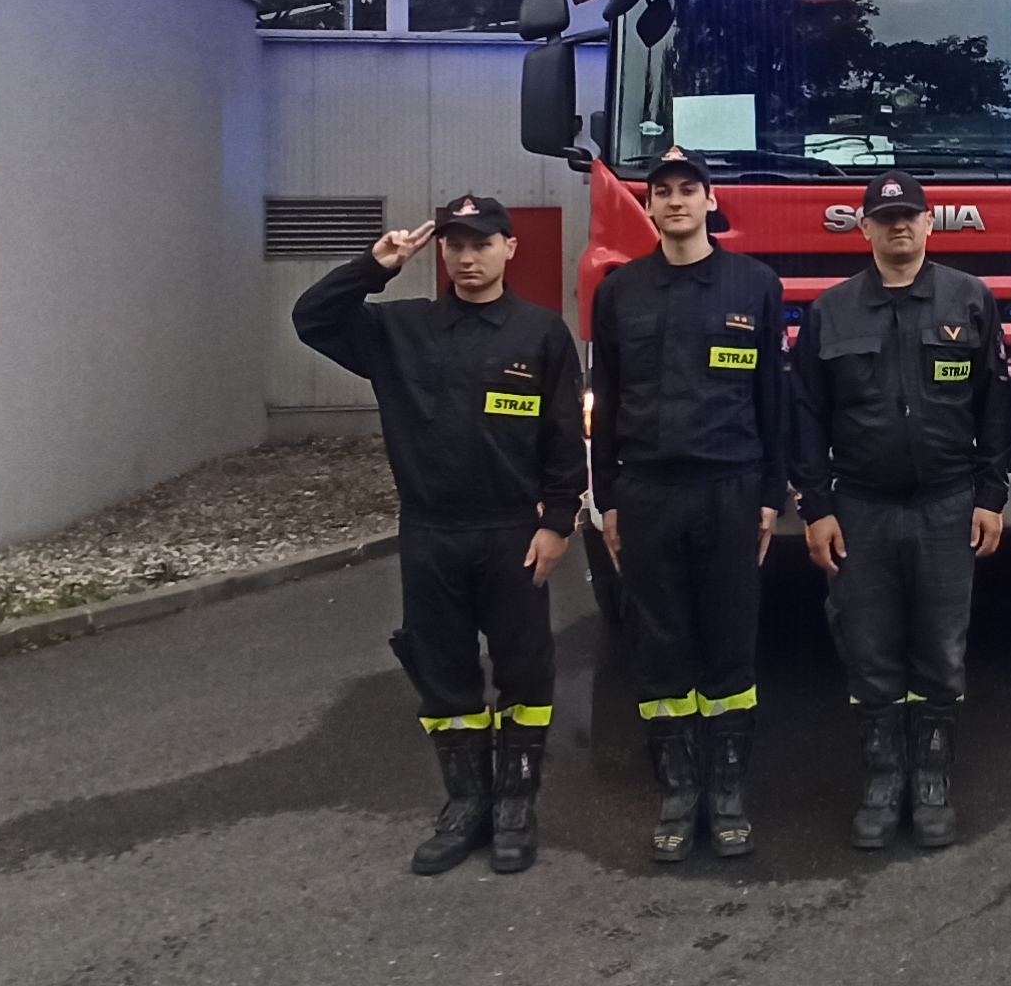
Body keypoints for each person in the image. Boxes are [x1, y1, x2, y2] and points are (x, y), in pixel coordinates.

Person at [291, 195, 582, 876]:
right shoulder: (399, 330)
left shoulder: (541, 333)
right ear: (441, 252)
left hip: (512, 532)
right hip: (431, 534)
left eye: (482, 243)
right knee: (445, 676)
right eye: (455, 245)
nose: (467, 257)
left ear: (510, 248)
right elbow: (312, 319)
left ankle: (515, 806)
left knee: (524, 673)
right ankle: (467, 804)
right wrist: (374, 266)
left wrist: (558, 520)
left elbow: (565, 436)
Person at [793, 172, 1011, 849]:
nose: (899, 226)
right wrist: (816, 506)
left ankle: (933, 781)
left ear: (929, 223)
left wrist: (991, 496)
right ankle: (884, 781)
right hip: (861, 508)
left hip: (947, 504)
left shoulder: (969, 299)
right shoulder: (830, 311)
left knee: (941, 648)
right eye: (885, 218)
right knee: (870, 648)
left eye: (910, 216)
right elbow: (806, 417)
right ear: (863, 229)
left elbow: (996, 408)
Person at [590, 149, 788, 860]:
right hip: (647, 493)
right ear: (649, 206)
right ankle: (678, 793)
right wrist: (607, 499)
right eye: (662, 191)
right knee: (660, 643)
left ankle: (727, 792)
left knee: (731, 639)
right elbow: (608, 400)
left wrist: (771, 494)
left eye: (688, 190)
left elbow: (772, 398)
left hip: (730, 488)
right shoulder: (620, 292)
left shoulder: (755, 284)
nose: (675, 201)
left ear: (710, 201)